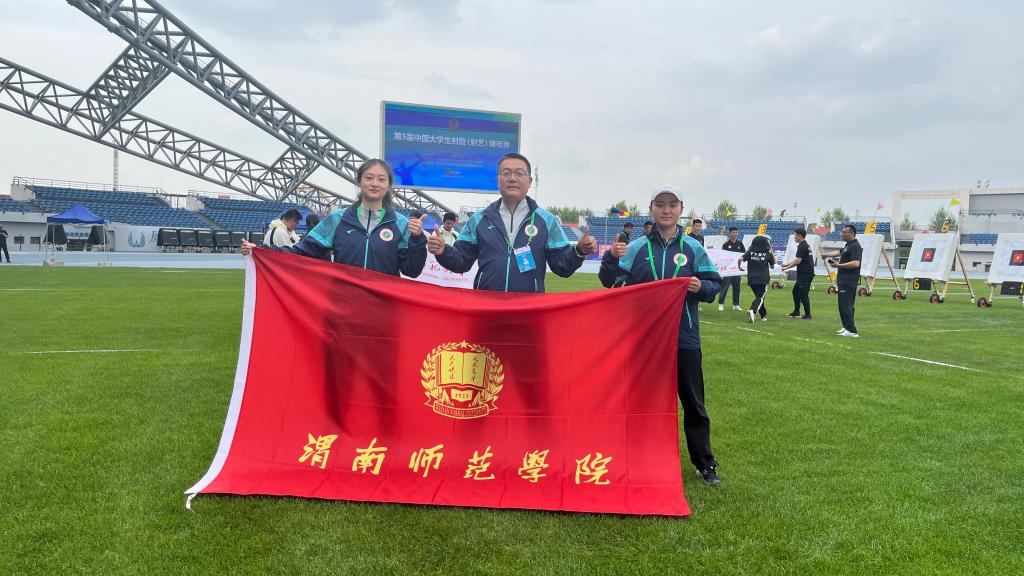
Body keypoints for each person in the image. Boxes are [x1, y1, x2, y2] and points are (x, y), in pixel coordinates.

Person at [605, 185, 724, 486]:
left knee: (694, 403)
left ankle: (705, 463)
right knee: (640, 402)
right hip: (643, 339)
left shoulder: (693, 248)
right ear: (651, 209)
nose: (666, 210)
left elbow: (714, 284)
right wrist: (610, 259)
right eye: (660, 204)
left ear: (681, 208)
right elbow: (611, 282)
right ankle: (637, 458)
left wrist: (701, 287)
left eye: (672, 204)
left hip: (684, 338)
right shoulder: (635, 248)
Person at [426, 153, 597, 292]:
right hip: (486, 308)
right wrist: (443, 251)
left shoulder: (546, 220)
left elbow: (562, 267)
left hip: (529, 310)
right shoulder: (479, 219)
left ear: (530, 181)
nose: (512, 178)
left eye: (519, 173)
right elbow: (461, 261)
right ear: (498, 180)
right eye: (506, 173)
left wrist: (579, 251)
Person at [241, 159, 427, 277]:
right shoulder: (338, 219)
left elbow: (412, 270)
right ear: (359, 182)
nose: (374, 183)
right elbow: (303, 250)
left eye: (381, 179)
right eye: (369, 178)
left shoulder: (400, 224)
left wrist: (418, 240)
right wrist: (260, 250)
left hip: (385, 310)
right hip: (342, 307)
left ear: (389, 185)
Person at [823, 225, 862, 337]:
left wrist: (838, 265)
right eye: (842, 232)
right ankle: (847, 327)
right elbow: (839, 252)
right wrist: (826, 255)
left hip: (848, 280)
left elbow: (856, 263)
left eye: (845, 232)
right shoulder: (848, 245)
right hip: (844, 280)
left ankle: (852, 331)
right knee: (844, 305)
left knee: (845, 306)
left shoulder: (855, 246)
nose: (842, 234)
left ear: (852, 233)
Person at [739, 235, 775, 323]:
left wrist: (739, 267)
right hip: (763, 279)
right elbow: (772, 266)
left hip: (751, 279)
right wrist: (771, 253)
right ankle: (752, 311)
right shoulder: (768, 254)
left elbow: (740, 259)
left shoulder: (750, 252)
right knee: (760, 297)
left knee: (758, 297)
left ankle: (763, 315)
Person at [780, 227, 814, 319]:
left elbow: (798, 261)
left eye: (795, 235)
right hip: (803, 273)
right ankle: (796, 311)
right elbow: (797, 259)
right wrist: (786, 264)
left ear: (800, 235)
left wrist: (786, 268)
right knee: (795, 292)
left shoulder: (802, 246)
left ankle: (808, 315)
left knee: (803, 294)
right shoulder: (804, 245)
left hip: (806, 274)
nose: (794, 237)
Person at [717, 227, 745, 311]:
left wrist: (740, 266)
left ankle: (736, 304)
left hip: (737, 269)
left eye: (736, 232)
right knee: (725, 287)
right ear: (730, 233)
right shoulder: (726, 244)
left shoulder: (740, 244)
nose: (735, 234)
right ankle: (721, 304)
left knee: (737, 288)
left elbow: (743, 255)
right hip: (728, 270)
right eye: (733, 232)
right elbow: (723, 256)